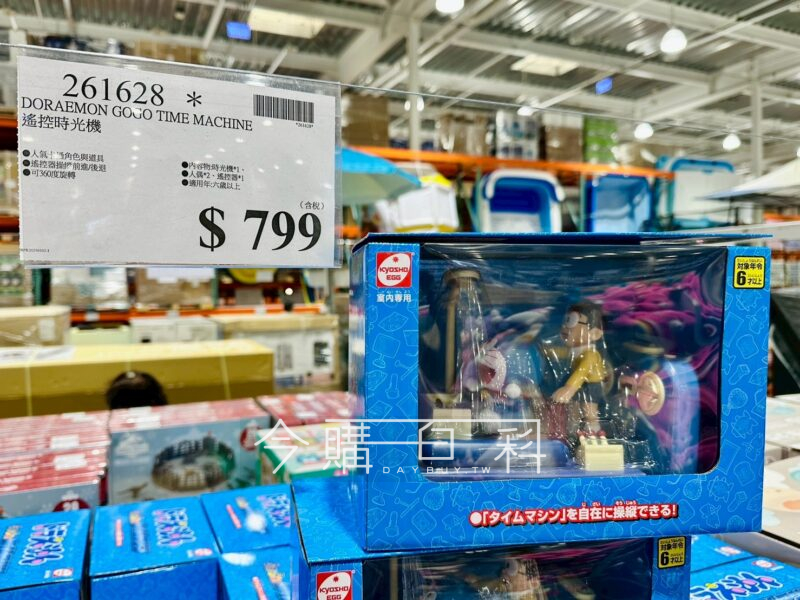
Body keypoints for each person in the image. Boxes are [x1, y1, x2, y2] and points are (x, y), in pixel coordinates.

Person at [552, 301, 607, 433]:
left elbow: (582, 372)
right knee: (575, 408)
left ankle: (593, 429)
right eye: (566, 320)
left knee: (589, 411)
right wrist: (547, 351)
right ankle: (575, 430)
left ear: (594, 334)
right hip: (580, 384)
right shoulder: (576, 351)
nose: (565, 326)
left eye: (571, 321)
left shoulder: (590, 354)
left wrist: (569, 388)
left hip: (592, 385)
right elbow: (563, 354)